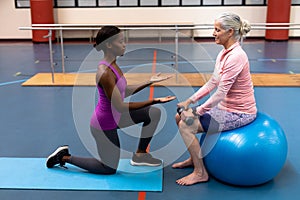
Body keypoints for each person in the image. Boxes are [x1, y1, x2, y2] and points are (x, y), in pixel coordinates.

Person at [46, 26, 176, 174]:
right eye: (120, 41)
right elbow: (120, 106)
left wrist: (149, 81)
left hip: (117, 117)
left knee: (153, 114)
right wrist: (154, 100)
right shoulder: (105, 72)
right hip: (104, 124)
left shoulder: (113, 65)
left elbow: (122, 91)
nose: (124, 44)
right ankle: (64, 157)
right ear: (108, 44)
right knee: (108, 168)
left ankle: (140, 155)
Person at [173, 12, 257, 185]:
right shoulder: (224, 53)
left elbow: (221, 93)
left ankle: (200, 172)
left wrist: (196, 111)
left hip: (240, 113)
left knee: (185, 125)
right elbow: (213, 82)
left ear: (230, 32)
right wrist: (190, 101)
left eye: (217, 30)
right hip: (226, 108)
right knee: (178, 117)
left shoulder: (236, 56)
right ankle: (193, 159)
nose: (213, 33)